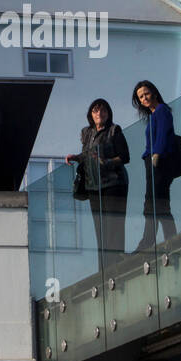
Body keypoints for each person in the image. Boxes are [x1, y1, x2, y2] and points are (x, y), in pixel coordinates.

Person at [65, 98, 130, 257]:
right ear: (91, 115)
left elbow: (124, 157)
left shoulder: (114, 130)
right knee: (100, 230)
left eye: (103, 110)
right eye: (95, 110)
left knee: (113, 226)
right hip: (93, 185)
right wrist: (76, 157)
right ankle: (104, 270)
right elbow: (88, 156)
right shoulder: (86, 133)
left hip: (114, 183)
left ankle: (116, 264)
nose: (99, 113)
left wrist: (107, 162)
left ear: (108, 114)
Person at [132, 79, 177, 251]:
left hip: (159, 161)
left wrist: (157, 153)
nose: (144, 98)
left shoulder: (161, 110)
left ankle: (149, 242)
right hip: (151, 161)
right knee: (155, 203)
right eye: (141, 97)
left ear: (154, 93)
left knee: (155, 203)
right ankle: (161, 239)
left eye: (146, 94)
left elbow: (164, 134)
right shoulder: (152, 115)